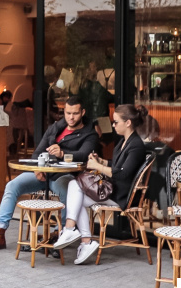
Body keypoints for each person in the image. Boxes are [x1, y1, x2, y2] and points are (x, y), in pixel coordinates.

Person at [0, 96, 99, 253]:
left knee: (68, 192)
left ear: (82, 112)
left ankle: (59, 235)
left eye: (75, 113)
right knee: (12, 185)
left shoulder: (89, 133)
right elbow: (38, 152)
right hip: (43, 174)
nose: (71, 117)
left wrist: (62, 153)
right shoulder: (55, 127)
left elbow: (83, 154)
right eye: (68, 113)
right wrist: (37, 168)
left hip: (63, 176)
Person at [53, 104, 148, 264]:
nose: (113, 125)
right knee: (76, 197)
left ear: (128, 123)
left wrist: (98, 167)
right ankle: (85, 241)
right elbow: (116, 164)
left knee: (75, 186)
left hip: (122, 195)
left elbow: (123, 173)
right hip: (114, 190)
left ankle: (70, 230)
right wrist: (101, 161)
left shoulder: (136, 145)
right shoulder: (124, 141)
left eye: (116, 122)